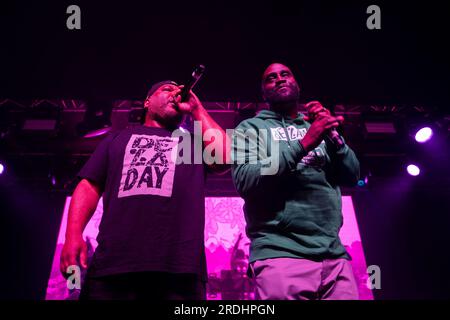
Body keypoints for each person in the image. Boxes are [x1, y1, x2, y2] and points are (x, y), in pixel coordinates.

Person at [60, 80, 229, 300]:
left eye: (179, 91)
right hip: (113, 267)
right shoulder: (116, 139)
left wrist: (197, 108)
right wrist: (73, 235)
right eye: (167, 89)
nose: (175, 94)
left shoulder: (193, 144)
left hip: (180, 271)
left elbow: (225, 158)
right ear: (147, 102)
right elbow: (88, 185)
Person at [231, 63, 361, 300]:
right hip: (280, 253)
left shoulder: (318, 125)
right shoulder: (250, 128)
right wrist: (303, 145)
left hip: (334, 254)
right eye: (271, 78)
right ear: (263, 92)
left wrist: (333, 136)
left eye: (285, 74)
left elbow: (352, 175)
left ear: (297, 85)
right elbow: (245, 181)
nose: (279, 79)